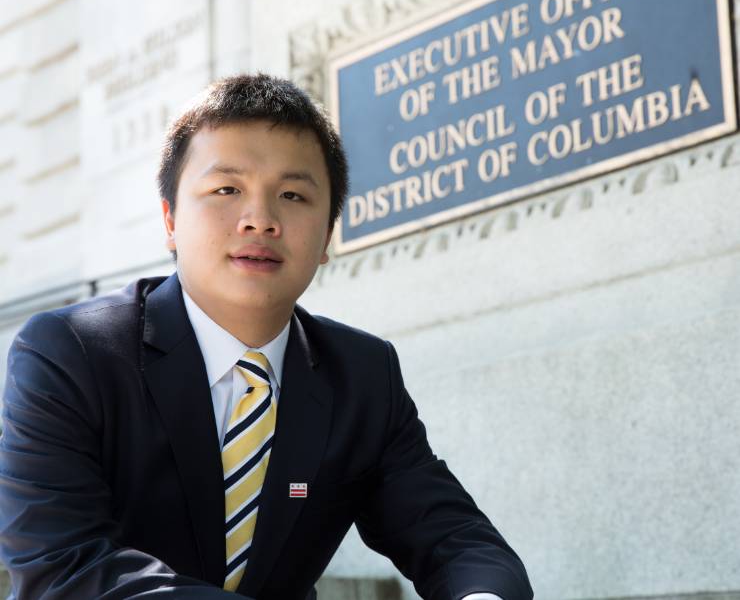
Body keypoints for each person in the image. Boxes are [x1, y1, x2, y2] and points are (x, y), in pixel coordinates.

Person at [0, 74, 532, 600]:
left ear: (327, 236)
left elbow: (456, 540)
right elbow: (65, 567)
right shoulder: (70, 352)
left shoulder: (363, 376)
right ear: (170, 219)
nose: (260, 220)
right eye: (226, 189)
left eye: (294, 195)